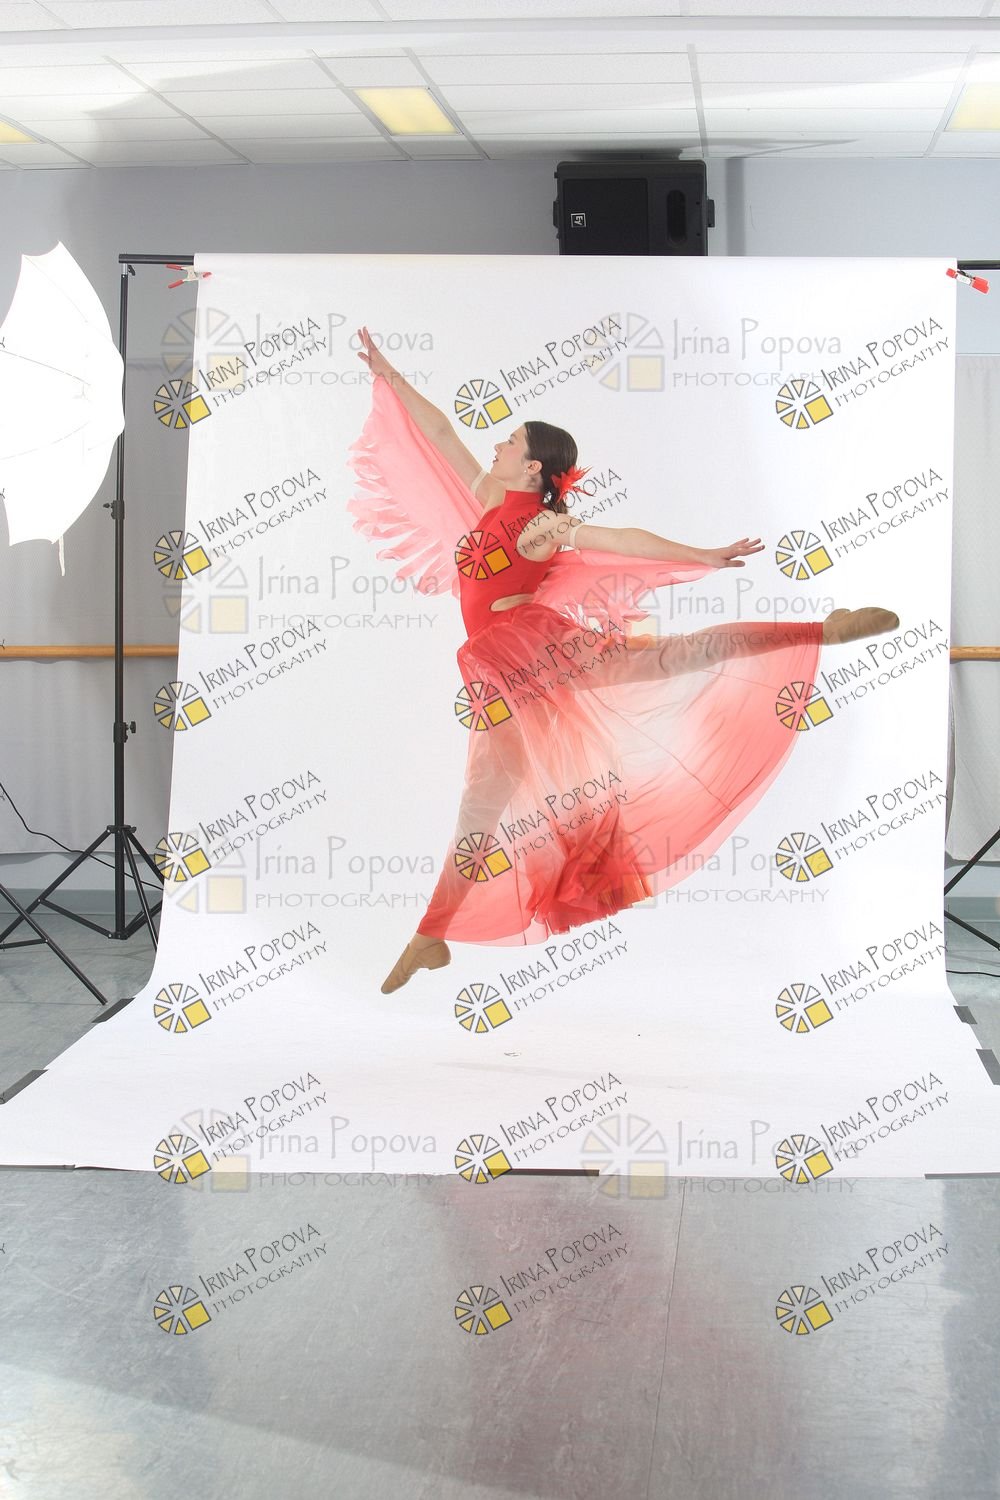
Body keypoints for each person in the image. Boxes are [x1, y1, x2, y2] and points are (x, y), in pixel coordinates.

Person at [349, 327, 898, 994]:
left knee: (669, 660)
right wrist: (389, 374)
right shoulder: (491, 497)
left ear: (533, 468)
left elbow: (621, 537)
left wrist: (700, 555)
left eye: (511, 441)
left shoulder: (540, 523)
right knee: (488, 798)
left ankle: (819, 629)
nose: (497, 444)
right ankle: (432, 934)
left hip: (535, 652)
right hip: (500, 665)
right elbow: (438, 432)